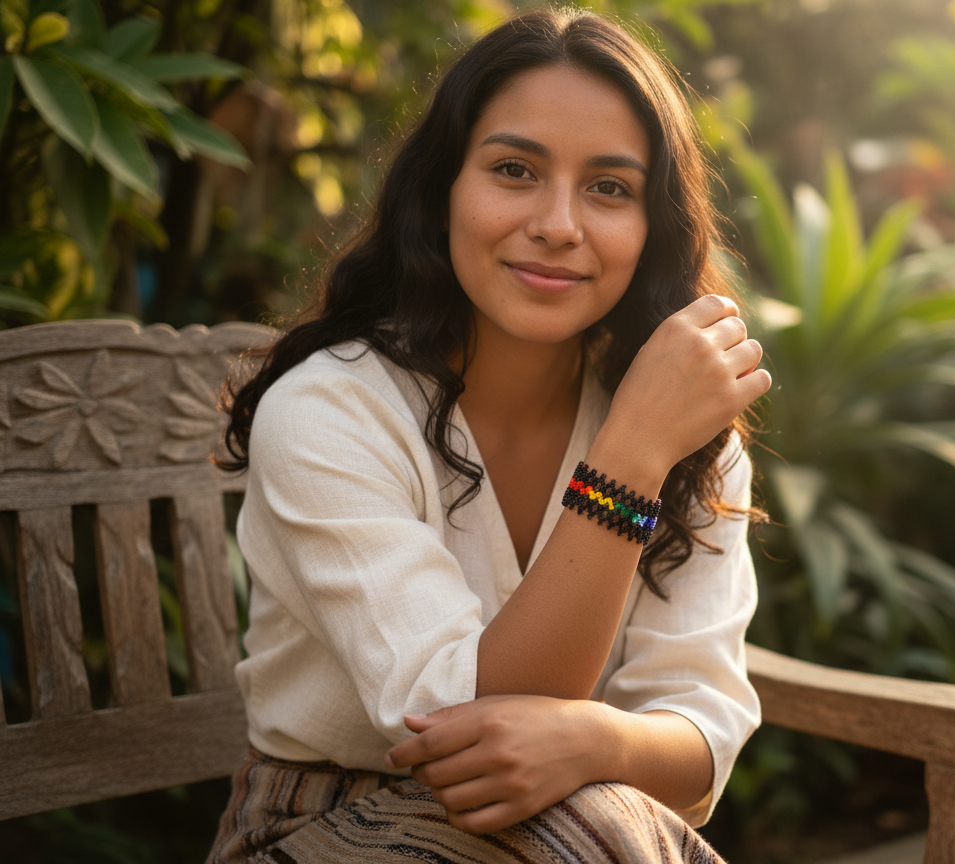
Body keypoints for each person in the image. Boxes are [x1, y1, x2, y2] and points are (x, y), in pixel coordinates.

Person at [207, 7, 772, 863]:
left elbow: (697, 747)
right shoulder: (332, 411)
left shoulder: (685, 432)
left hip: (591, 820)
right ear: (441, 195)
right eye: (515, 170)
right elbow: (462, 728)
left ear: (653, 225)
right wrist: (629, 457)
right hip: (316, 828)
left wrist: (598, 746)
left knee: (598, 827)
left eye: (609, 188)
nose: (558, 224)